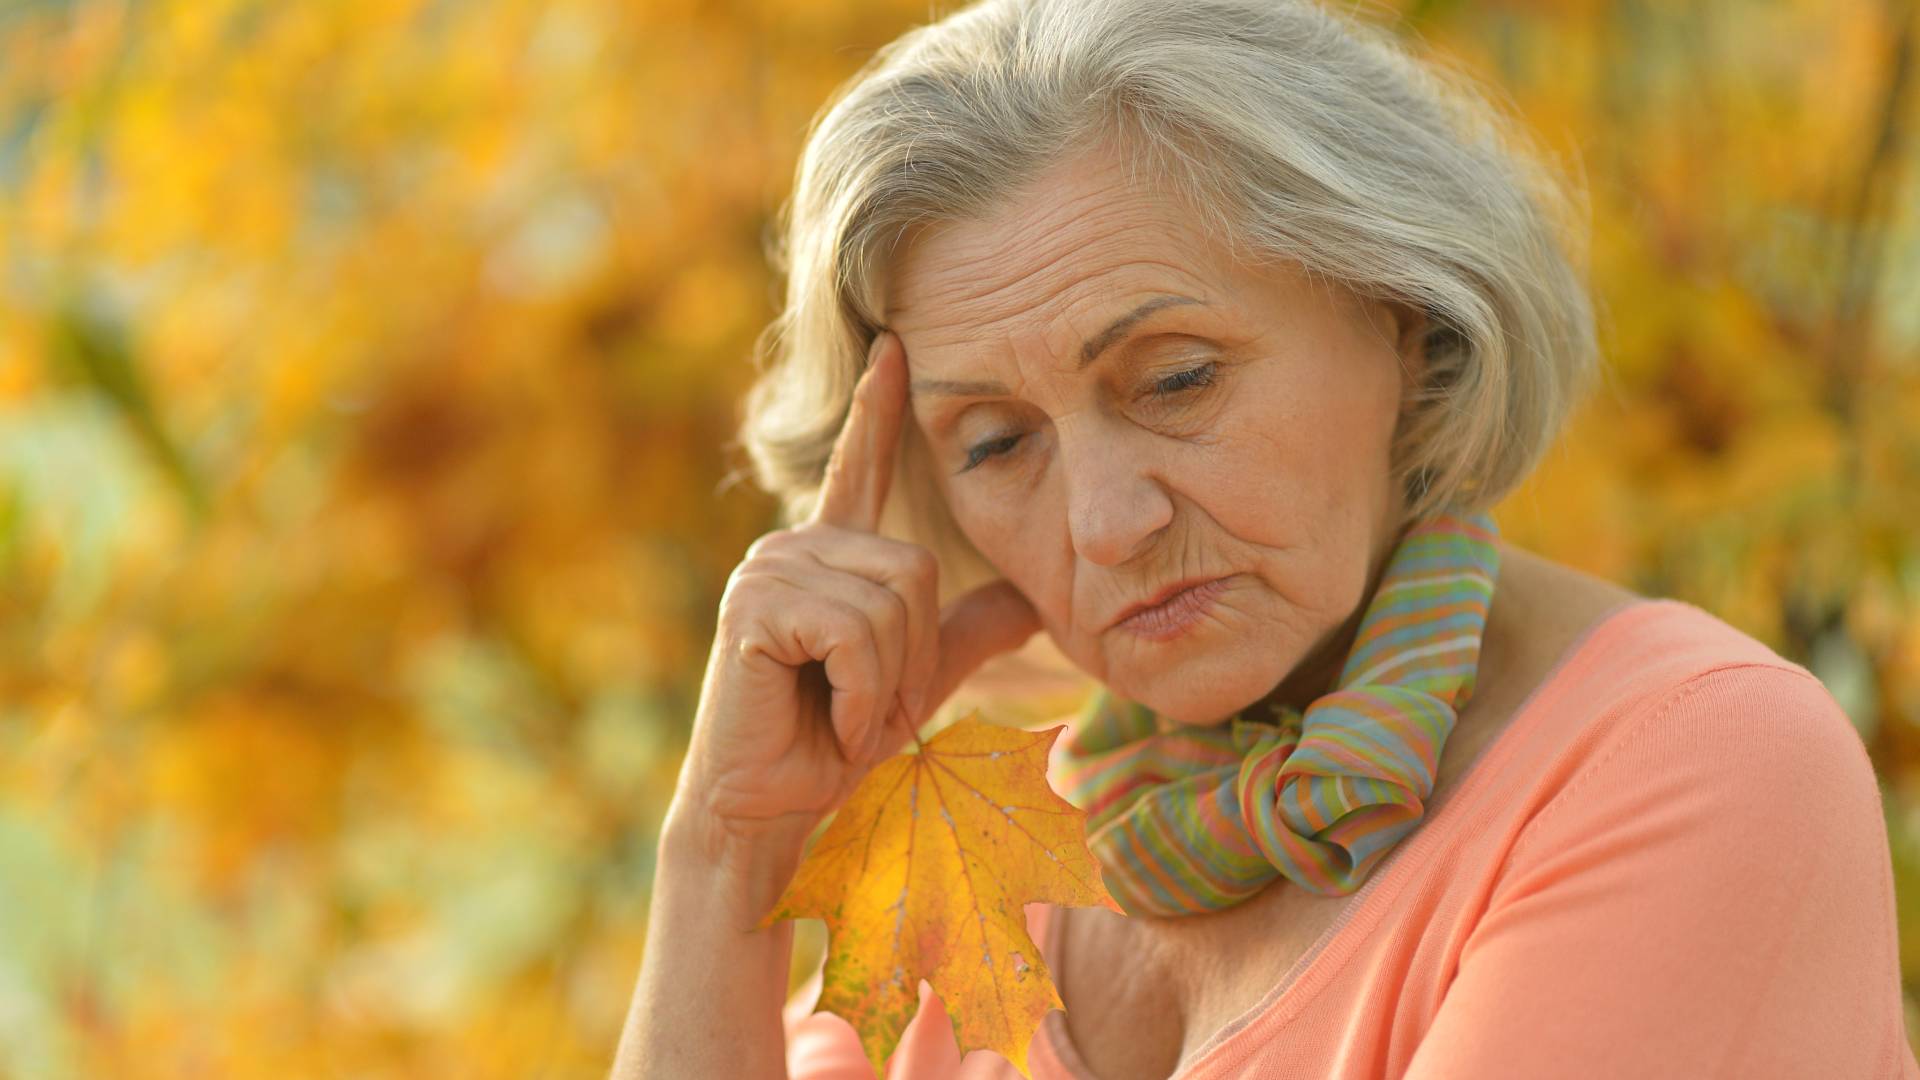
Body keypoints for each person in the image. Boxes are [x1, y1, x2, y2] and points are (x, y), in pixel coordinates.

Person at [612, 0, 1918, 1076]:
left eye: (1176, 380)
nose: (1107, 524)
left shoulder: (1695, 758)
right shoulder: (1003, 856)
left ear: (1403, 314)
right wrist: (730, 860)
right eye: (998, 444)